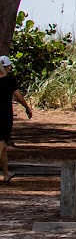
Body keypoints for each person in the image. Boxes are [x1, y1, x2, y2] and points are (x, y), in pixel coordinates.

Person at [0, 56, 31, 184]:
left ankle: (6, 174)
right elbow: (19, 97)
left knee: (3, 147)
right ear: (8, 67)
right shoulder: (9, 81)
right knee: (1, 143)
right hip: (4, 116)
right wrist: (27, 108)